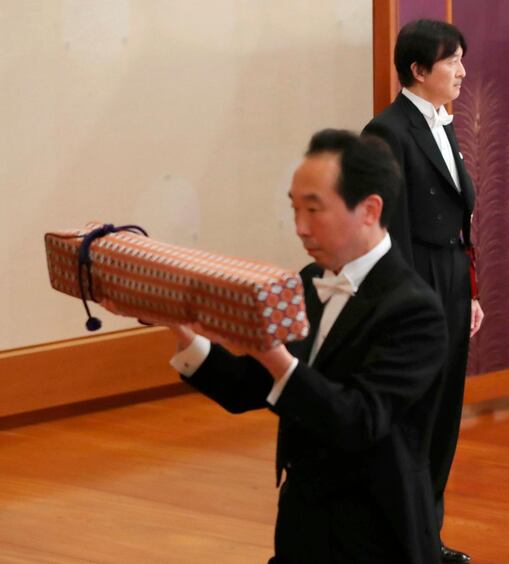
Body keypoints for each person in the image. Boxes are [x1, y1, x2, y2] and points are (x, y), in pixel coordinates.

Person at [144, 130, 447, 563]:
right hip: (303, 521)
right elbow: (250, 387)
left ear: (370, 209)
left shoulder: (415, 309)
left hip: (377, 530)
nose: (300, 226)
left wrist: (273, 355)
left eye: (314, 209)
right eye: (294, 208)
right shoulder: (306, 281)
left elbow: (357, 420)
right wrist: (183, 331)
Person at [363, 19, 483, 563]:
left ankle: (427, 536)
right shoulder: (388, 131)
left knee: (446, 412)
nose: (462, 70)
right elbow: (394, 230)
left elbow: (456, 219)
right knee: (418, 414)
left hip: (450, 278)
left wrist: (470, 291)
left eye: (461, 58)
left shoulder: (442, 123)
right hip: (418, 281)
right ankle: (403, 540)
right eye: (451, 60)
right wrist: (408, 306)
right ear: (418, 70)